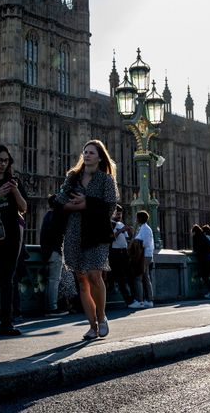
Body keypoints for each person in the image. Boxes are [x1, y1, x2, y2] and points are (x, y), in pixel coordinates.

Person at [53, 140, 119, 340]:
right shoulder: (73, 178)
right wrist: (75, 207)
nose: (87, 155)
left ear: (100, 157)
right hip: (74, 232)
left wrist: (87, 204)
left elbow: (110, 207)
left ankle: (101, 317)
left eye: (91, 152)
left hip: (96, 233)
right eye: (85, 152)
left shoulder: (106, 180)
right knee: (82, 280)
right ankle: (92, 327)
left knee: (94, 275)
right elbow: (59, 201)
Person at [0, 144, 27, 337]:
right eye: (0, 160)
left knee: (8, 281)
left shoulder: (13, 181)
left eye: (6, 161)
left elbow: (24, 208)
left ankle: (6, 324)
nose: (3, 164)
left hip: (11, 237)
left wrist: (15, 191)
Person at [39, 206, 67, 316]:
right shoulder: (56, 217)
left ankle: (47, 307)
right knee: (54, 281)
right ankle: (52, 308)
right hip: (55, 252)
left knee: (49, 281)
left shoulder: (47, 216)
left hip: (46, 252)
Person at [107, 206, 135, 306]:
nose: (119, 216)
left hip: (124, 253)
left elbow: (127, 240)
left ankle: (133, 298)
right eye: (117, 213)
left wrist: (130, 233)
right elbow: (110, 237)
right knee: (120, 278)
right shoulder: (111, 224)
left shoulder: (121, 224)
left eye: (120, 214)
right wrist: (121, 230)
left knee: (128, 276)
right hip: (115, 254)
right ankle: (129, 300)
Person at [129, 210, 155, 309]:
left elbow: (146, 243)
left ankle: (140, 300)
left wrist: (135, 242)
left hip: (144, 255)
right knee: (145, 277)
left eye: (137, 217)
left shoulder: (146, 229)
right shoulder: (141, 228)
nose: (136, 219)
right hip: (143, 255)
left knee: (138, 277)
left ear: (140, 218)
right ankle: (149, 300)